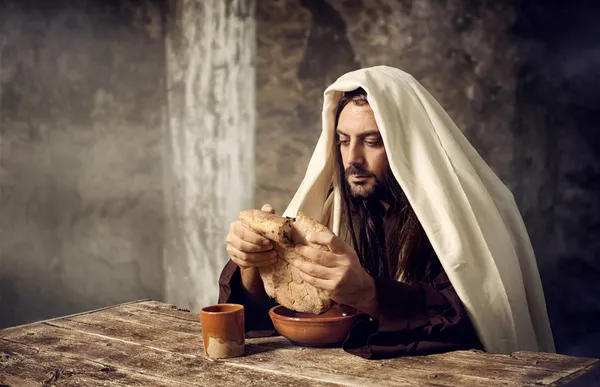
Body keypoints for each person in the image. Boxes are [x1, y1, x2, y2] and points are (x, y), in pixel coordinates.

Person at [219, 66, 555, 359]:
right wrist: (253, 263)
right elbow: (274, 319)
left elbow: (481, 323)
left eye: (372, 141)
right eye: (343, 140)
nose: (353, 159)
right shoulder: (333, 210)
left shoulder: (465, 217)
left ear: (406, 145)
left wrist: (368, 293)